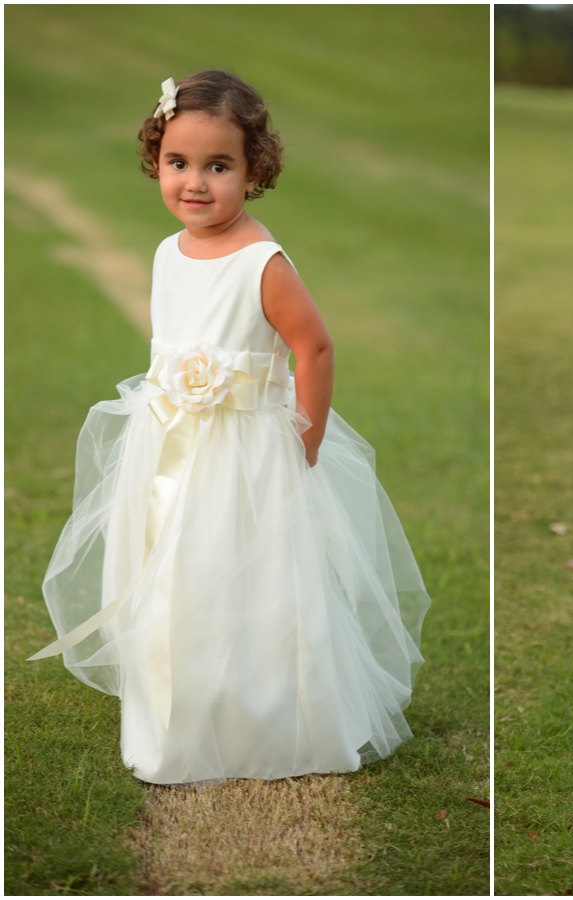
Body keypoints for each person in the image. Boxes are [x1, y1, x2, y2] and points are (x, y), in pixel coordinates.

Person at [30, 70, 430, 785]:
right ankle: (181, 709)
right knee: (176, 576)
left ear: (254, 171)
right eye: (179, 163)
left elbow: (314, 347)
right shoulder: (165, 252)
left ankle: (264, 717)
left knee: (248, 578)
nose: (196, 183)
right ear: (156, 158)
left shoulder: (261, 262)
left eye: (219, 166)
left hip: (247, 451)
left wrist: (303, 435)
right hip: (170, 448)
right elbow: (175, 348)